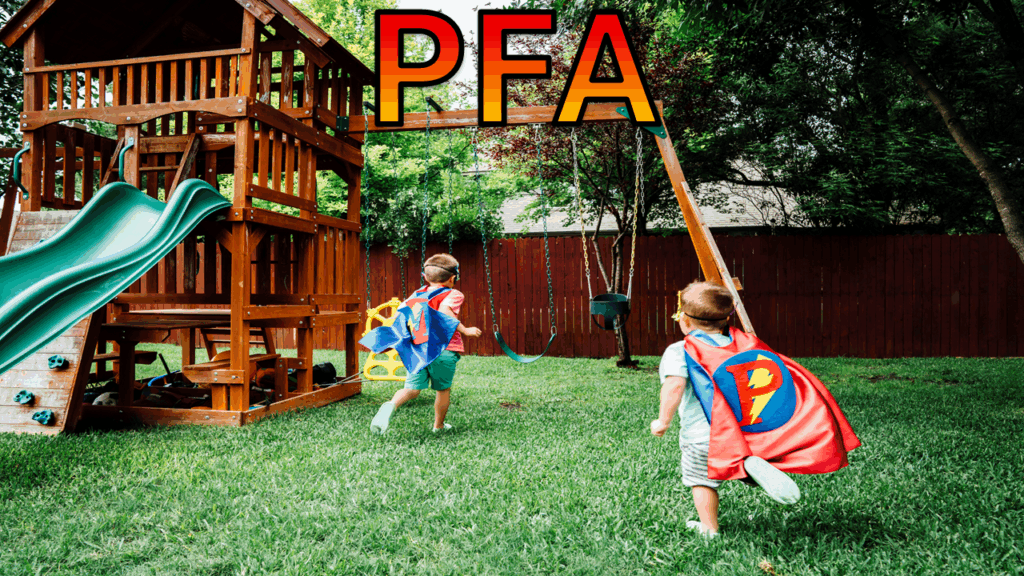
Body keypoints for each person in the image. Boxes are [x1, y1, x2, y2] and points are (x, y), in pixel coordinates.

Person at [651, 281, 859, 539]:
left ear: (683, 321)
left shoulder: (680, 351)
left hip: (704, 438)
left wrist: (663, 420)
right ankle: (749, 468)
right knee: (735, 457)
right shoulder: (745, 344)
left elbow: (674, 386)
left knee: (701, 481)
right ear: (728, 318)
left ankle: (709, 528)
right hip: (746, 436)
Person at [370, 253, 482, 435]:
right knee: (442, 390)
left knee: (411, 389)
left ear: (425, 277)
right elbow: (445, 311)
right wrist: (465, 330)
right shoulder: (453, 293)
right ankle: (438, 426)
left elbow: (400, 314)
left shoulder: (417, 294)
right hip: (443, 350)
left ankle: (391, 405)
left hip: (418, 349)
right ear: (453, 278)